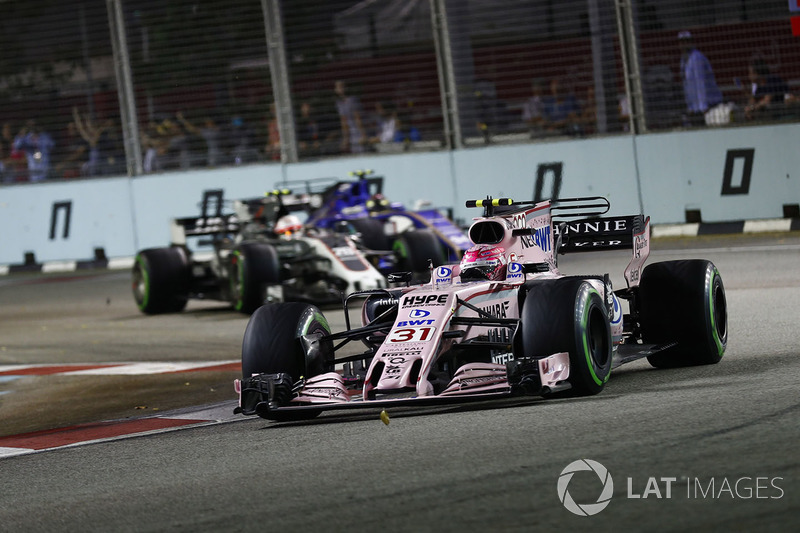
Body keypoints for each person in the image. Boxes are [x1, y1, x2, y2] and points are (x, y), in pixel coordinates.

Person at [678, 30, 722, 127]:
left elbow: (700, 82)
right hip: (695, 108)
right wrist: (690, 107)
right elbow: (686, 84)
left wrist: (703, 107)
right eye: (682, 42)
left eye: (686, 41)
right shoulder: (684, 60)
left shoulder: (697, 57)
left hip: (707, 106)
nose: (684, 44)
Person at [745, 57, 789, 121]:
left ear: (758, 73)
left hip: (783, 112)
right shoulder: (757, 85)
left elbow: (766, 101)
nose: (749, 76)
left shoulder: (772, 80)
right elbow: (753, 100)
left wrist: (752, 108)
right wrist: (748, 109)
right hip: (770, 114)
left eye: (751, 73)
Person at [334, 80, 366, 154]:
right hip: (351, 134)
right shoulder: (339, 103)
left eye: (342, 87)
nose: (340, 89)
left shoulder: (352, 100)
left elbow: (358, 118)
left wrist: (363, 135)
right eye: (338, 87)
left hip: (358, 132)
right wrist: (346, 138)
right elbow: (343, 121)